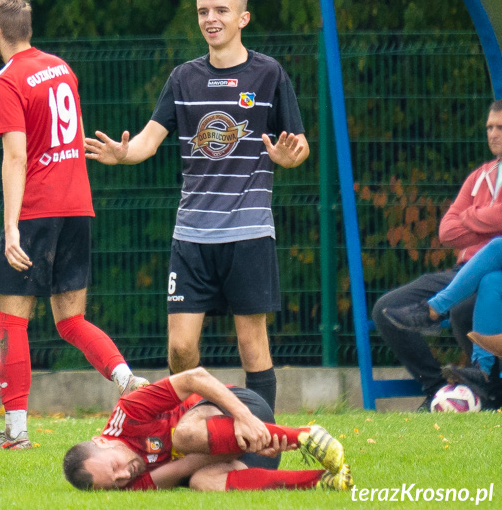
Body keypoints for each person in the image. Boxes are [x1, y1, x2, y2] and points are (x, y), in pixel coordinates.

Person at [84, 0, 309, 410]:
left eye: (221, 11)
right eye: (204, 11)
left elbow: (298, 146)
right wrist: (123, 153)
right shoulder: (183, 78)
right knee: (181, 348)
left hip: (249, 234)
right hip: (191, 238)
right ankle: (187, 429)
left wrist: (288, 158)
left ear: (243, 17)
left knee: (252, 346)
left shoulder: (269, 74)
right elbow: (148, 141)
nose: (211, 19)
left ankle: (260, 438)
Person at [0, 0, 147, 450]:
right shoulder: (61, 68)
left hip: (37, 209)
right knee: (70, 320)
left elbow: (15, 157)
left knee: (11, 322)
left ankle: (15, 432)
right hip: (78, 206)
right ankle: (127, 378)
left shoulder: (5, 80)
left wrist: (12, 225)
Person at [373, 99, 502, 410]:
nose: (493, 134)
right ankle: (438, 388)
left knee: (467, 299)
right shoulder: (479, 177)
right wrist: (487, 219)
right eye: (489, 127)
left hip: (493, 271)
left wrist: (471, 218)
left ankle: (436, 313)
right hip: (464, 270)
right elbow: (447, 232)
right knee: (386, 310)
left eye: (500, 127)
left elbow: (473, 224)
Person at [62, 367, 352, 492]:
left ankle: (304, 435)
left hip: (241, 410)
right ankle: (323, 482)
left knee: (183, 436)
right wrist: (245, 445)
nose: (125, 475)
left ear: (102, 440)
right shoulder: (130, 482)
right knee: (202, 482)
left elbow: (195, 378)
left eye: (115, 467)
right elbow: (183, 469)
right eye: (116, 482)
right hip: (248, 449)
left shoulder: (128, 412)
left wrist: (244, 418)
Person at [383, 237, 502, 405]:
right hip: (472, 268)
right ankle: (483, 372)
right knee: (492, 281)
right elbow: (448, 231)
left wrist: (473, 219)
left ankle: (432, 310)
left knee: (498, 246)